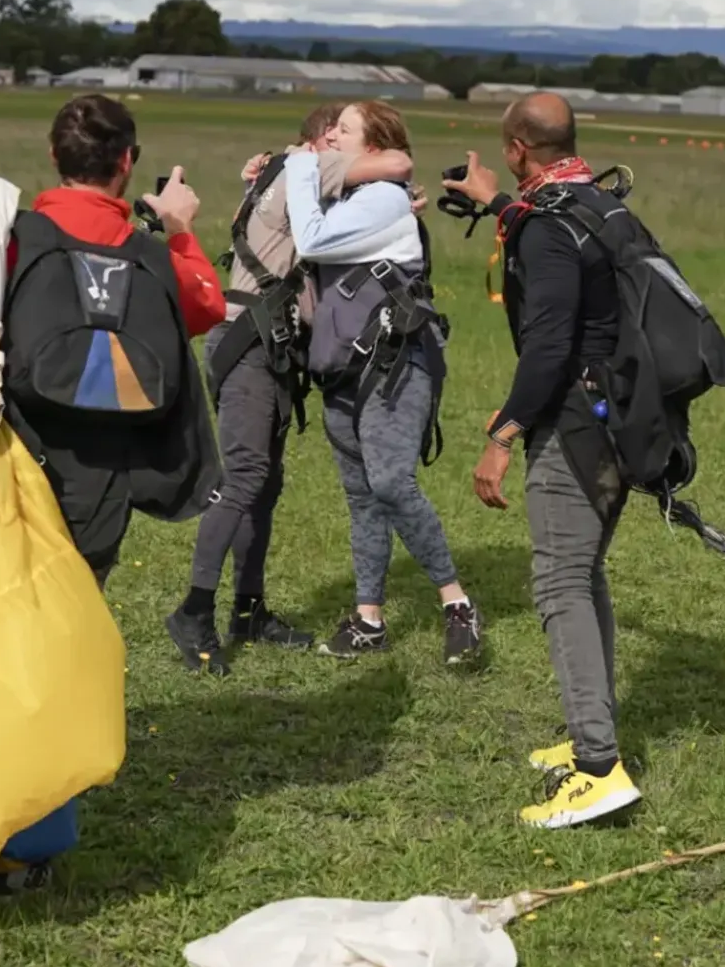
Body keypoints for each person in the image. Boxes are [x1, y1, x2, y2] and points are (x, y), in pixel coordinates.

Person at [165, 103, 420, 675]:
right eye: (340, 135)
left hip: (260, 341)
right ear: (322, 139)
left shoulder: (279, 171)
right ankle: (194, 610)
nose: (345, 146)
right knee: (247, 477)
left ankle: (248, 609)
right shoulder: (310, 167)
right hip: (252, 341)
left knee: (265, 484)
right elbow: (399, 162)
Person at [445, 91, 642, 828]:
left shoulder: (549, 228)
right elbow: (561, 252)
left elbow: (550, 344)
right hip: (621, 415)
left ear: (518, 148)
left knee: (559, 581)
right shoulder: (596, 201)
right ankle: (595, 732)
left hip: (575, 427)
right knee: (583, 573)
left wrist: (503, 435)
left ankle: (597, 767)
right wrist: (499, 205)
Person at [286, 99, 483, 666]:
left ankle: (457, 604)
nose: (329, 137)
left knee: (392, 482)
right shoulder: (354, 192)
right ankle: (369, 619)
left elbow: (315, 243)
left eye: (343, 131)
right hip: (345, 364)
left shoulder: (382, 198)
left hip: (397, 361)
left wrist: (301, 170)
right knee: (362, 497)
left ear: (373, 148)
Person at [2, 93, 226, 588]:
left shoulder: (14, 238)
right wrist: (180, 231)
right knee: (78, 603)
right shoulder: (151, 257)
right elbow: (206, 305)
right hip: (101, 476)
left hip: (10, 457)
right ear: (126, 161)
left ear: (54, 155)